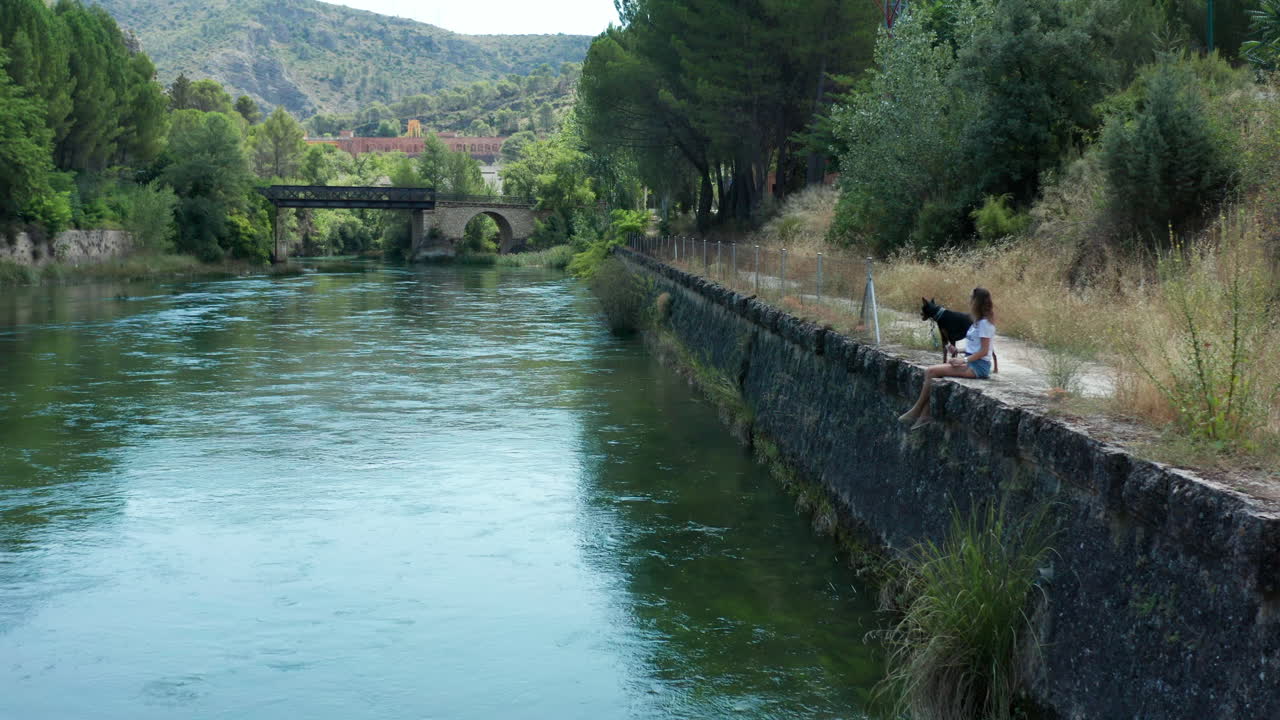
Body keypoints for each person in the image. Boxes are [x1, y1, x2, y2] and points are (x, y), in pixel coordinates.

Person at [898, 287, 995, 430]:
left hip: (978, 367)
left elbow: (985, 351)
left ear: (976, 302)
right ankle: (924, 415)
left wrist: (963, 360)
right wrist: (957, 350)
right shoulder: (978, 322)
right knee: (935, 374)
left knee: (931, 371)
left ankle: (916, 411)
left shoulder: (985, 324)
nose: (969, 301)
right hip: (973, 362)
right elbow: (976, 347)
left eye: (971, 298)